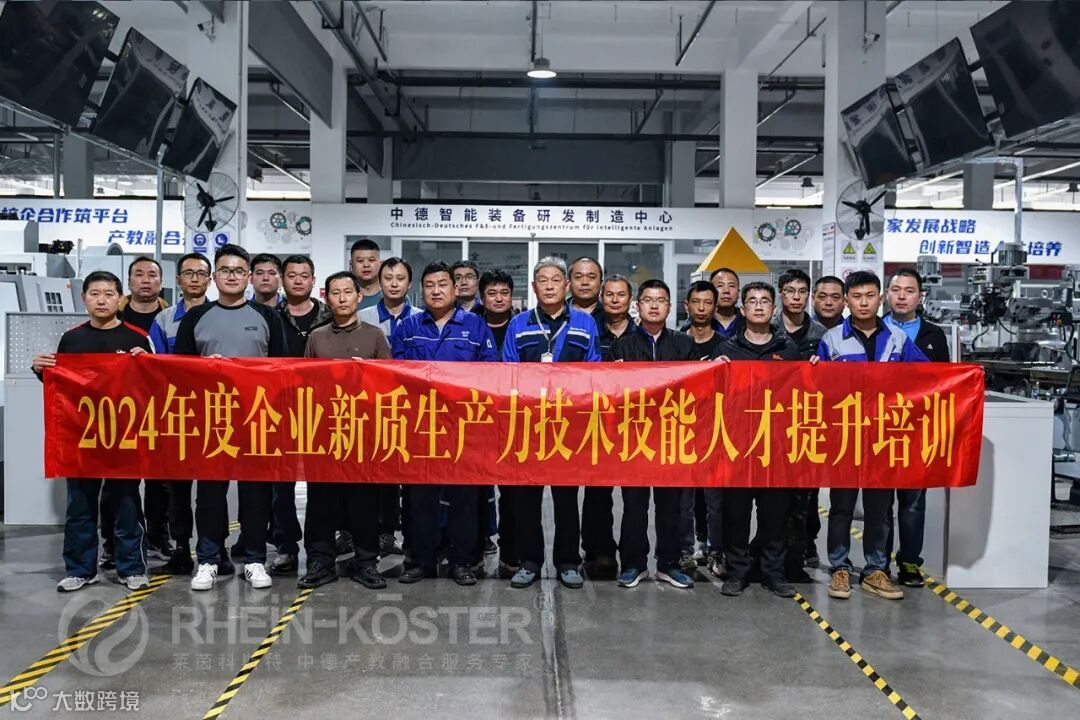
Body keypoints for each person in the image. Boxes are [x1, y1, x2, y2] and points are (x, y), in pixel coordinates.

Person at [175, 244, 288, 592]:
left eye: (239, 271)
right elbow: (179, 371)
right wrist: (205, 370)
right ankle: (208, 559)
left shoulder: (267, 317)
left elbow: (283, 369)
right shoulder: (196, 317)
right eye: (225, 270)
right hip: (212, 418)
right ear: (214, 277)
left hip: (256, 417)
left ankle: (254, 559)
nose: (232, 276)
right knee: (210, 493)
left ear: (249, 276)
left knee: (255, 493)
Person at [33, 271, 152, 592]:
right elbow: (63, 387)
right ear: (84, 298)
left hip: (124, 437)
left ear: (120, 299)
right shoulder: (72, 339)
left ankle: (132, 568)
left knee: (127, 505)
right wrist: (41, 370)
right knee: (80, 506)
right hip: (82, 438)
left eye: (109, 294)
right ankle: (81, 570)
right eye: (95, 293)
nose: (102, 300)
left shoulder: (137, 339)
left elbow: (153, 387)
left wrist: (148, 363)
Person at [817, 270, 928, 602]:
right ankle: (839, 567)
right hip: (845, 438)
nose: (863, 303)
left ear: (880, 299)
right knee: (841, 508)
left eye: (869, 296)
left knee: (879, 509)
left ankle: (876, 570)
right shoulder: (831, 340)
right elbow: (816, 390)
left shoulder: (898, 338)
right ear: (846, 301)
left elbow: (927, 376)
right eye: (856, 297)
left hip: (884, 438)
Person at [390, 261, 499, 586]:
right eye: (429, 285)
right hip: (421, 428)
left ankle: (462, 561)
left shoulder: (476, 327)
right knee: (420, 497)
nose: (436, 291)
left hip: (463, 428)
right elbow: (396, 375)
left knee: (464, 497)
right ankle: (421, 560)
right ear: (421, 290)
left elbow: (490, 371)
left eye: (442, 285)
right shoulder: (408, 327)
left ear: (455, 288)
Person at [502, 257, 601, 589]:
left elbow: (594, 372)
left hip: (569, 427)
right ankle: (530, 561)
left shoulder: (585, 324)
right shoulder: (519, 324)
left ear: (566, 285)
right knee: (526, 500)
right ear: (533, 287)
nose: (549, 286)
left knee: (566, 499)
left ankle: (568, 561)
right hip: (528, 427)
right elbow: (508, 372)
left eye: (555, 280)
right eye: (542, 280)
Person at [298, 271, 392, 590]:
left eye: (347, 292)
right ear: (327, 298)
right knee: (321, 501)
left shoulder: (375, 336)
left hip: (363, 433)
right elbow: (305, 384)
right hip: (324, 431)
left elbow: (390, 384)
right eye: (335, 293)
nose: (342, 298)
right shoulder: (317, 337)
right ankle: (320, 561)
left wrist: (365, 374)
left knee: (363, 502)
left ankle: (366, 562)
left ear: (359, 296)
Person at [714, 282, 804, 599]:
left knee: (774, 515)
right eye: (752, 301)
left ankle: (773, 574)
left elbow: (802, 393)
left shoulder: (788, 350)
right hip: (738, 444)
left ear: (774, 309)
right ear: (742, 309)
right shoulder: (726, 349)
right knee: (736, 514)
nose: (758, 306)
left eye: (765, 301)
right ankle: (737, 572)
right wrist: (712, 370)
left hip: (776, 446)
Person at [611, 279, 696, 589]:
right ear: (638, 306)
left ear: (669, 307)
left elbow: (695, 388)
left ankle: (668, 564)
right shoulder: (622, 346)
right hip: (634, 436)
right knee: (634, 505)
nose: (654, 305)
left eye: (661, 300)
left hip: (672, 436)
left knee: (670, 506)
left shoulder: (684, 344)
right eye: (648, 300)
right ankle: (633, 564)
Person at [100, 257, 171, 568]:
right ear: (128, 282)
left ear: (161, 282)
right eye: (138, 274)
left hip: (159, 410)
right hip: (116, 414)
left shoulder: (168, 318)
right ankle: (111, 542)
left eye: (152, 275)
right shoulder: (111, 317)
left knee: (161, 480)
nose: (145, 280)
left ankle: (158, 536)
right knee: (115, 482)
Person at [884, 268, 950, 588]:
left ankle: (910, 562)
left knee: (912, 502)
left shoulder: (933, 335)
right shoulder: (873, 330)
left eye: (909, 291)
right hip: (879, 429)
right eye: (896, 289)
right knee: (880, 503)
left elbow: (945, 383)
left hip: (917, 430)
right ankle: (878, 562)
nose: (901, 296)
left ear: (920, 296)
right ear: (886, 294)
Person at [269, 255, 332, 576]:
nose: (297, 280)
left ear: (313, 280)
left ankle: (322, 548)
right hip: (280, 409)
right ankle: (286, 547)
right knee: (281, 485)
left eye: (304, 275)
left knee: (323, 484)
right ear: (283, 279)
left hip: (322, 411)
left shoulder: (329, 316)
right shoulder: (270, 316)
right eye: (291, 275)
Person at [149, 253, 212, 575]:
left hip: (214, 413)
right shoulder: (163, 321)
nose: (195, 279)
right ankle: (181, 547)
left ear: (210, 279)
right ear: (178, 280)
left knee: (212, 489)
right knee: (178, 488)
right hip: (177, 414)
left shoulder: (219, 315)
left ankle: (213, 549)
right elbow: (155, 367)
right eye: (188, 273)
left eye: (201, 273)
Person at [358, 257, 422, 557]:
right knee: (377, 474)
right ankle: (378, 533)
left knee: (410, 477)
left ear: (409, 283)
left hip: (413, 409)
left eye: (400, 278)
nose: (394, 284)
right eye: (388, 278)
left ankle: (410, 535)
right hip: (373, 408)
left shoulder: (422, 318)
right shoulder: (363, 317)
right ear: (379, 282)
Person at [772, 268, 827, 582]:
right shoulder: (765, 329)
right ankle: (771, 553)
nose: (796, 297)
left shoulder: (822, 335)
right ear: (781, 293)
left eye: (801, 291)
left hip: (808, 423)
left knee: (805, 495)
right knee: (773, 496)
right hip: (771, 424)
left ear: (809, 296)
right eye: (790, 291)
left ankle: (800, 551)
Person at [582, 274, 635, 581]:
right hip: (597, 423)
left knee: (634, 497)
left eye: (621, 294)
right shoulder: (590, 330)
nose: (615, 300)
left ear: (631, 300)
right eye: (610, 294)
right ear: (602, 298)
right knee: (597, 492)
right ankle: (599, 551)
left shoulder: (641, 335)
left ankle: (631, 555)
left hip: (635, 426)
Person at [678, 280, 726, 577]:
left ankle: (717, 550)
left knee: (715, 499)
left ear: (715, 307)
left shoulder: (726, 345)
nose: (701, 308)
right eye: (696, 302)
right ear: (687, 305)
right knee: (683, 499)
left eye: (708, 303)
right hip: (681, 429)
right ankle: (684, 551)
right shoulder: (676, 343)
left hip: (715, 429)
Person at [475, 269, 518, 569]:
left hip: (514, 420)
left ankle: (510, 553)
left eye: (504, 293)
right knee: (476, 490)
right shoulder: (470, 326)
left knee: (512, 493)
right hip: (478, 420)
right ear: (482, 298)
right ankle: (475, 549)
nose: (499, 299)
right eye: (492, 293)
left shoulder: (523, 325)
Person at [803, 274, 845, 564]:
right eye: (822, 296)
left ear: (844, 301)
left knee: (844, 493)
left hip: (848, 422)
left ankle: (844, 558)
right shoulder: (800, 332)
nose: (828, 302)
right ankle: (806, 543)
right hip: (810, 420)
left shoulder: (860, 331)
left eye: (835, 297)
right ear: (813, 299)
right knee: (806, 488)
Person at [569, 257, 605, 329]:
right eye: (578, 277)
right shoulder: (557, 312)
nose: (585, 282)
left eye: (591, 277)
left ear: (601, 283)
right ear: (569, 282)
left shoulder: (610, 314)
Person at [710, 268, 744, 338]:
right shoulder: (700, 322)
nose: (726, 291)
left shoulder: (749, 323)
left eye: (731, 286)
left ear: (738, 292)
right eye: (720, 285)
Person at [350, 238, 382, 309]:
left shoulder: (395, 298)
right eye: (360, 261)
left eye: (371, 260)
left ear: (380, 264)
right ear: (351, 266)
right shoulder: (345, 300)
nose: (366, 265)